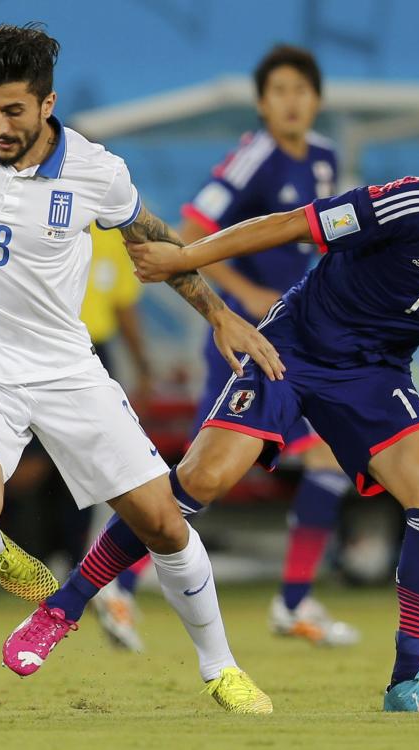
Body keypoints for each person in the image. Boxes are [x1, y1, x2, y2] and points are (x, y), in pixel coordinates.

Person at [46, 120, 419, 713]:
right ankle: (64, 605)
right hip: (295, 345)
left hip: (375, 374)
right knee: (203, 478)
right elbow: (292, 224)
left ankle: (408, 682)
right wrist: (188, 256)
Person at [0, 23, 284, 714]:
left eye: (13, 111)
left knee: (162, 523)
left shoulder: (95, 171)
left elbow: (151, 239)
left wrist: (216, 312)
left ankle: (222, 668)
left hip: (65, 368)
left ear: (47, 103)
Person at [98, 45, 358, 650]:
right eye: (280, 91)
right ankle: (117, 581)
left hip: (296, 343)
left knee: (315, 459)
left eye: (301, 90)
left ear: (316, 99)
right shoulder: (255, 158)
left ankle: (292, 602)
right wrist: (244, 296)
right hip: (244, 341)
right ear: (263, 103)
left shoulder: (324, 157)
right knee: (204, 475)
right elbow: (190, 233)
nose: (291, 101)